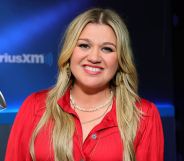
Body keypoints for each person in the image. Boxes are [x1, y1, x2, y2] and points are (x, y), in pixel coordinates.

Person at [5, 8, 164, 161]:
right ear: (69, 52)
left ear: (120, 59)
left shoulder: (145, 116)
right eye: (84, 45)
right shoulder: (35, 107)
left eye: (107, 49)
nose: (94, 57)